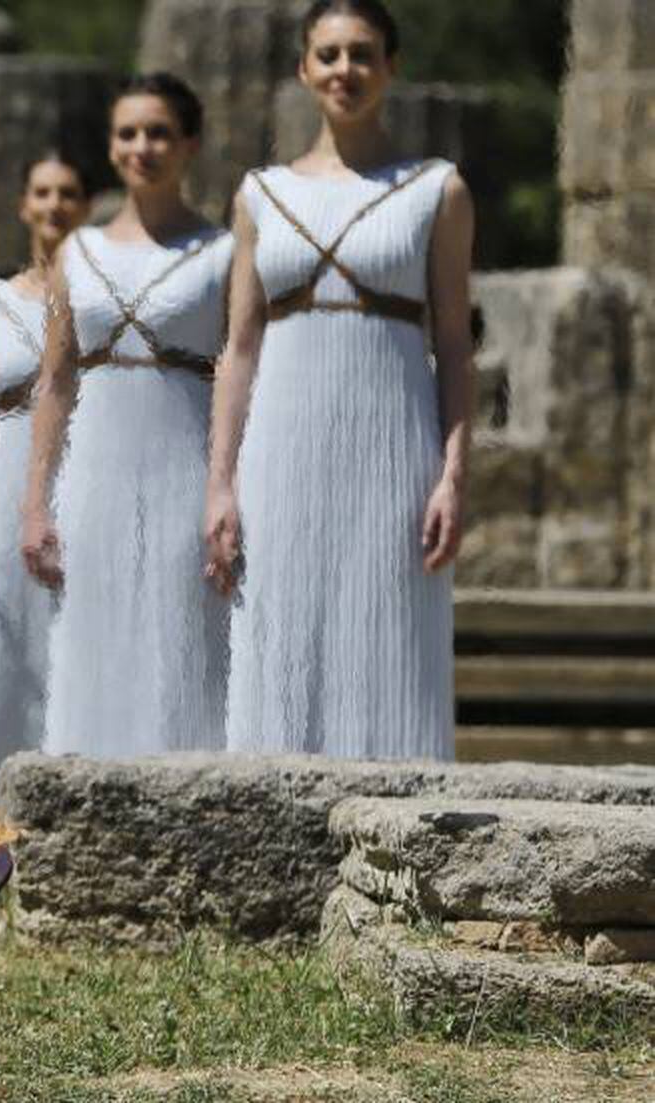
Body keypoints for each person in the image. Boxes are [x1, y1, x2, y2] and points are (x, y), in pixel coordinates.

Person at [205, 0, 472, 759]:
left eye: (361, 54)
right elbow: (240, 347)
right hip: (281, 452)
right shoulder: (260, 195)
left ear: (391, 67)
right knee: (280, 635)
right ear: (303, 69)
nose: (344, 70)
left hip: (392, 448)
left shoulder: (438, 191)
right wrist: (220, 481)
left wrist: (454, 474)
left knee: (390, 639)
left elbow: (453, 346)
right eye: (328, 55)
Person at [20, 75, 233, 756]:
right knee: (92, 637)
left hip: (184, 461)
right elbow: (55, 381)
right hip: (96, 468)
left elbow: (238, 370)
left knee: (182, 639)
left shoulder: (226, 251)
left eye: (159, 132)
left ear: (190, 144)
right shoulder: (77, 252)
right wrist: (35, 501)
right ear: (112, 147)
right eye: (128, 133)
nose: (143, 147)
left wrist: (228, 488)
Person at [0, 152, 90, 833]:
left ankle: (62, 825)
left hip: (81, 475)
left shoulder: (101, 297)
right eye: (43, 193)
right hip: (5, 484)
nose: (55, 205)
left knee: (74, 649)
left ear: (86, 207)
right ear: (24, 206)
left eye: (68, 194)